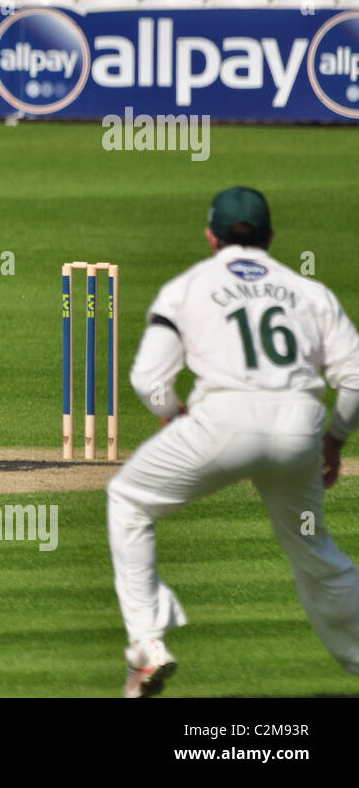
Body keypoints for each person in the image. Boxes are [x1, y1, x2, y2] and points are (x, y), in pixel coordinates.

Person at [109, 187, 359, 698]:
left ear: (210, 236)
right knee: (315, 550)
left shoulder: (188, 286)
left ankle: (147, 645)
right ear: (270, 236)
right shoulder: (309, 292)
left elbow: (147, 379)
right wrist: (334, 441)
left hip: (221, 422)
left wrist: (173, 415)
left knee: (129, 501)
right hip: (299, 428)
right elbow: (355, 378)